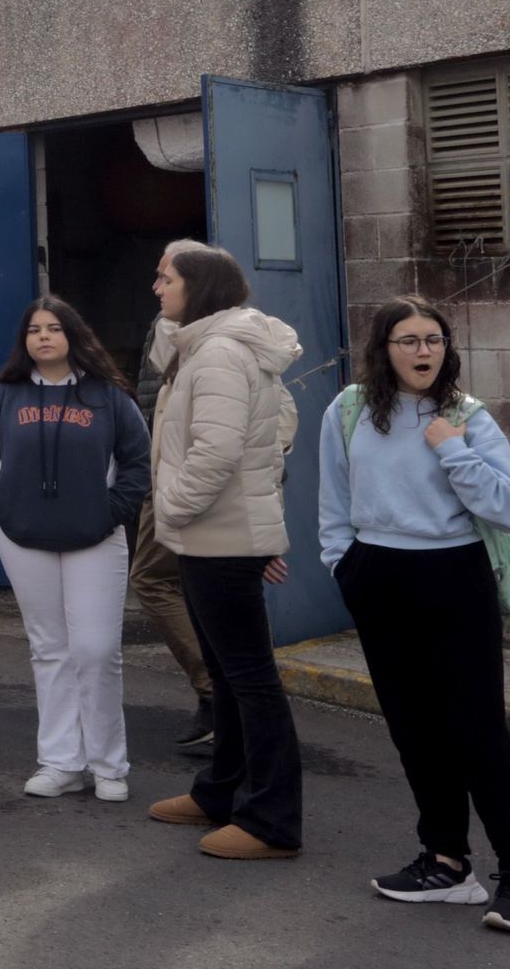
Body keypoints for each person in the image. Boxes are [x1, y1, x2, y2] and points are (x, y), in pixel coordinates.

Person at [318, 296, 510, 921]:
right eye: (409, 340)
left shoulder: (464, 415)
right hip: (377, 574)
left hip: (454, 574)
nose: (423, 351)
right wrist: (343, 565)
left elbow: (505, 503)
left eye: (433, 339)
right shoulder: (349, 410)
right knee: (414, 728)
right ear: (384, 349)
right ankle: (447, 862)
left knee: (478, 730)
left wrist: (453, 450)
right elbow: (334, 498)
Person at [143, 244, 306, 859]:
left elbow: (217, 452)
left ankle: (271, 822)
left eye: (167, 278)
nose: (157, 287)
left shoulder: (217, 354)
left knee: (251, 681)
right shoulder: (203, 346)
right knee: (232, 681)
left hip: (220, 537)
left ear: (199, 288)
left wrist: (171, 507)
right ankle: (221, 792)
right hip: (209, 535)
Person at [0, 296, 151, 802]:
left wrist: (111, 511)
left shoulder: (108, 396)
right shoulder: (5, 396)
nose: (43, 337)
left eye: (53, 328)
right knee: (49, 649)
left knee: (96, 650)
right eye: (34, 330)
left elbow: (137, 462)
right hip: (24, 537)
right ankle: (61, 761)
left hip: (96, 539)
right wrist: (0, 503)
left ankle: (108, 765)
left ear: (73, 335)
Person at [134, 238, 219, 753]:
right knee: (174, 582)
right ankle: (219, 697)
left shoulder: (218, 341)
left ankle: (216, 693)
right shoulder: (167, 327)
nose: (156, 286)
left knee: (153, 578)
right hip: (163, 476)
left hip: (185, 485)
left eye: (166, 276)